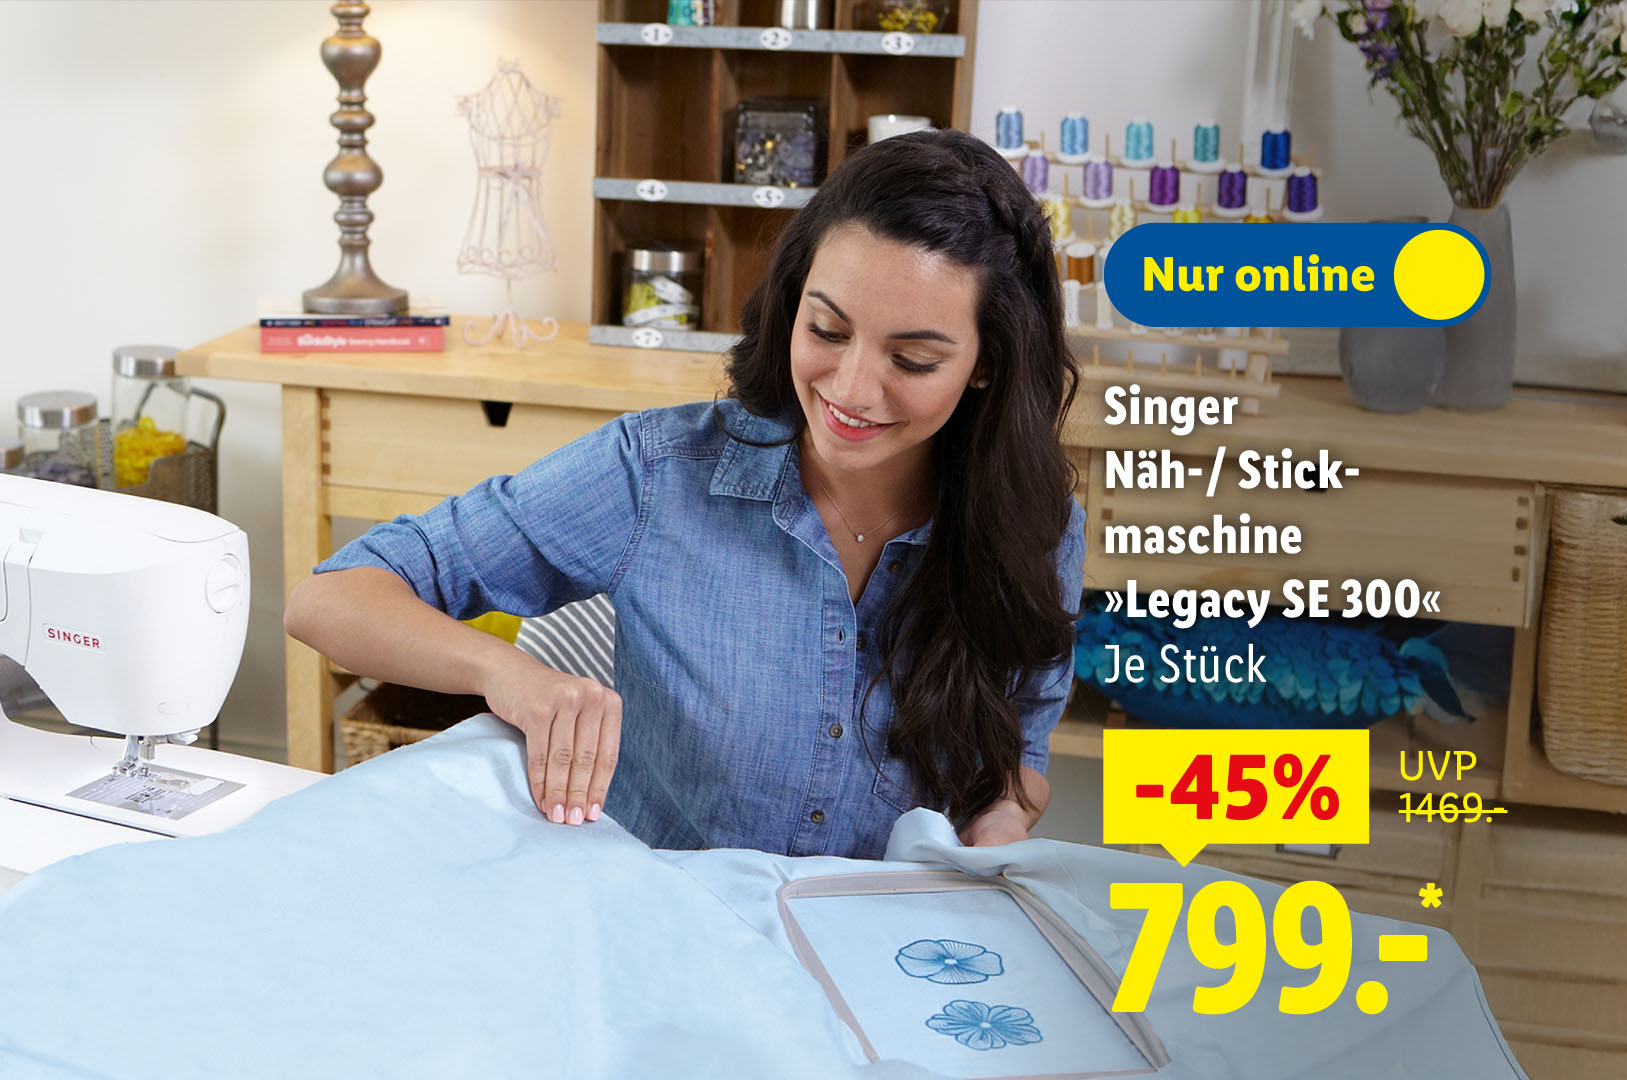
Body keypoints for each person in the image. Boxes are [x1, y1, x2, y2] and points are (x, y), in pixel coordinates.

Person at [284, 131, 1086, 859]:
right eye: (827, 330)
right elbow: (331, 599)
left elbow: (1019, 757)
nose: (849, 387)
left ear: (987, 363)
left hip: (890, 953)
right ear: (792, 300)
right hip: (665, 942)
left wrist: (997, 833)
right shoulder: (657, 471)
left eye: (912, 360)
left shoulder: (1034, 529)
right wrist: (507, 675)